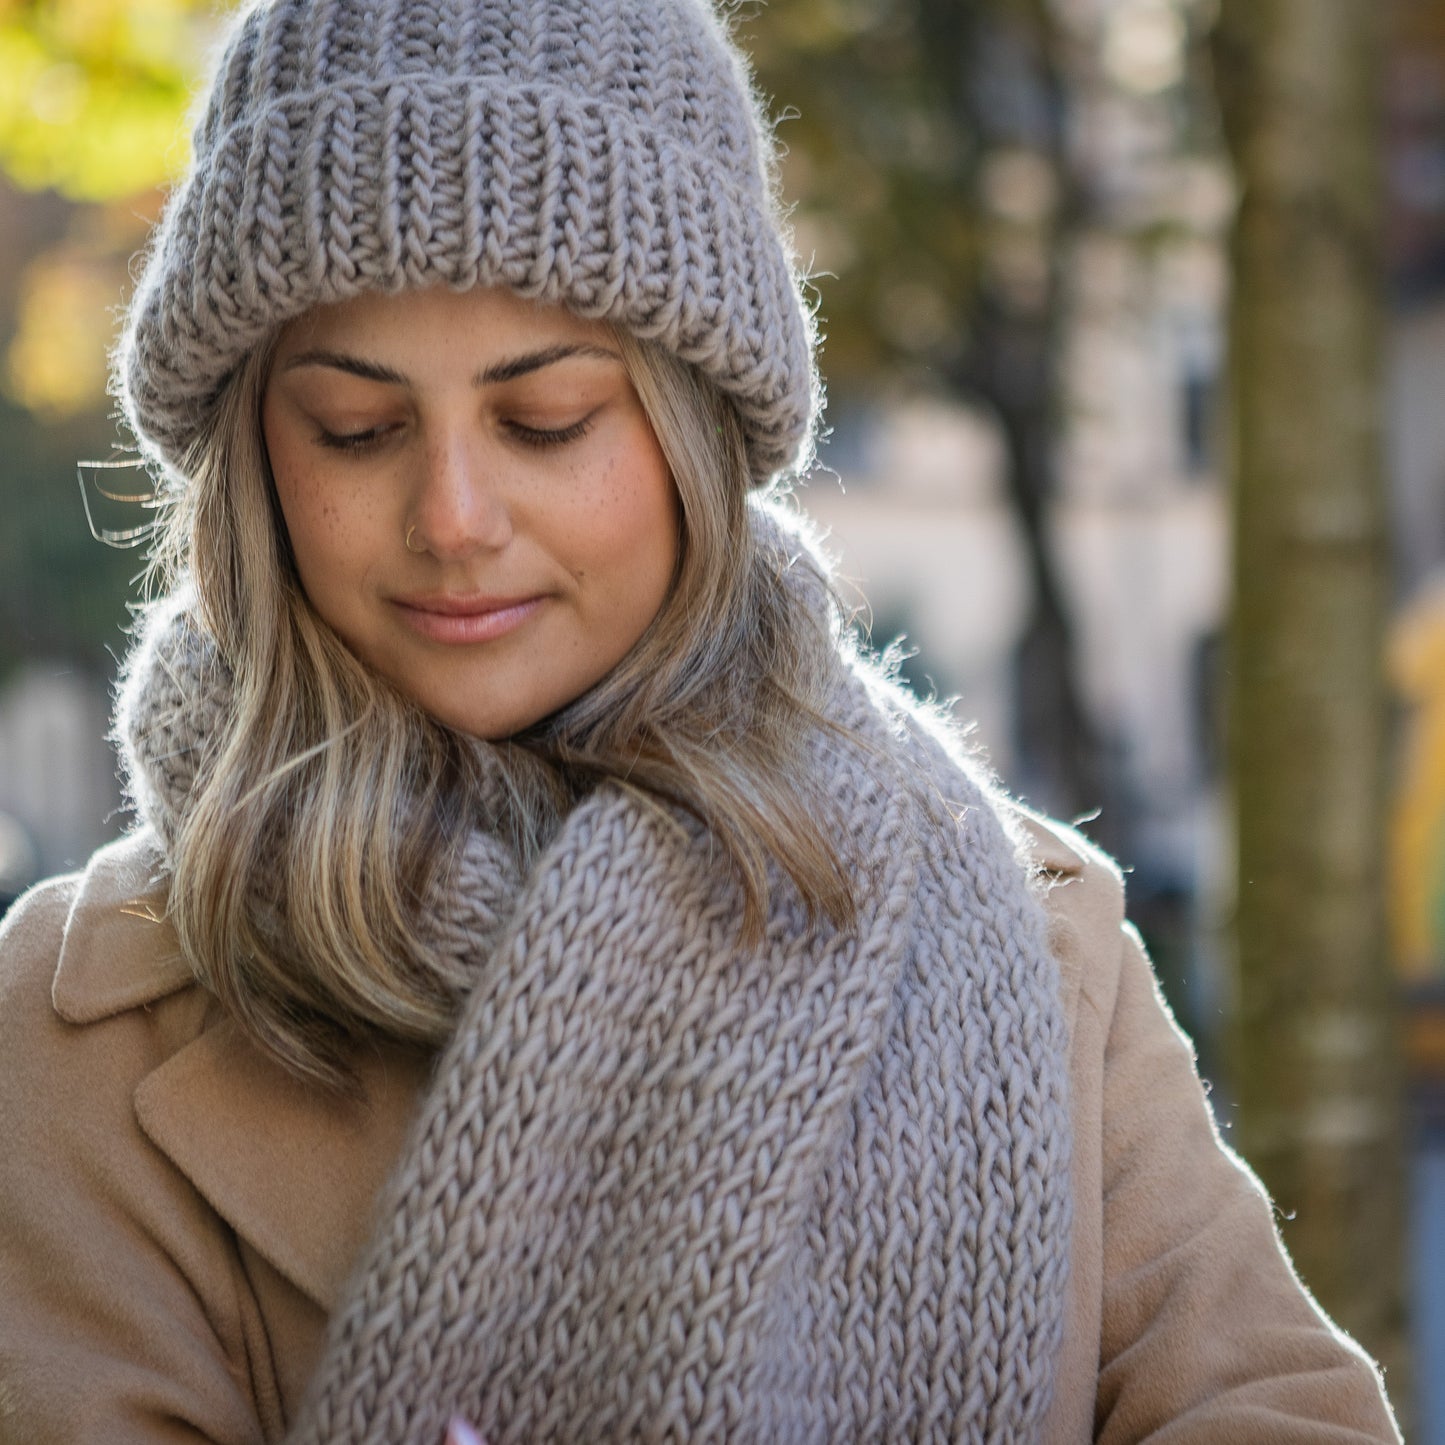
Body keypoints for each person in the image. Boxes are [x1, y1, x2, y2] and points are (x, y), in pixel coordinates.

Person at [0, 0, 1404, 1441]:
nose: (454, 518)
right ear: (255, 460)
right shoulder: (83, 1019)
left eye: (546, 418)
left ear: (694, 431)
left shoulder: (1036, 943)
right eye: (357, 429)